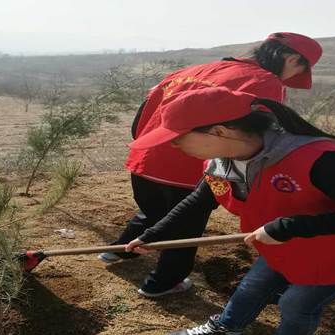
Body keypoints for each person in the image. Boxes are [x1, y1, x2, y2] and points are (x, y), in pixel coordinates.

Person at [124, 86, 335, 335]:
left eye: (178, 138)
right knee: (253, 285)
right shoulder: (221, 164)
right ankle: (227, 328)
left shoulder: (320, 160)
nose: (173, 145)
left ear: (219, 131)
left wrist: (288, 227)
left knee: (297, 301)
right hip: (291, 238)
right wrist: (154, 235)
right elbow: (199, 202)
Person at [99, 32, 323, 298]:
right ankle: (163, 283)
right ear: (292, 58)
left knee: (154, 211)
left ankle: (118, 250)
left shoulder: (194, 70)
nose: (292, 77)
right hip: (189, 168)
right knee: (185, 225)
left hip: (145, 160)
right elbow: (254, 135)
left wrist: (149, 152)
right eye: (299, 68)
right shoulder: (264, 82)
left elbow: (142, 117)